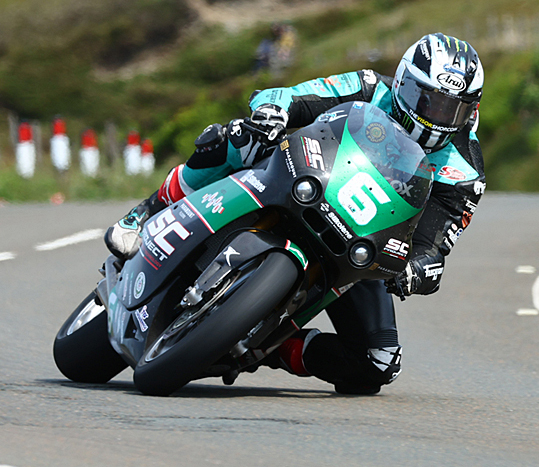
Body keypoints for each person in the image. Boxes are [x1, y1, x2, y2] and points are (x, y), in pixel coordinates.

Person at [104, 33, 486, 395]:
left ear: (472, 110)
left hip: (360, 243)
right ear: (404, 83)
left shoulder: (465, 172)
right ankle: (146, 212)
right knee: (239, 137)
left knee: (376, 364)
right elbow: (294, 96)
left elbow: (434, 242)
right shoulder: (372, 87)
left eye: (453, 108)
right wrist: (272, 111)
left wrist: (418, 270)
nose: (436, 117)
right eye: (428, 100)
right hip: (305, 177)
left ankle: (271, 347)